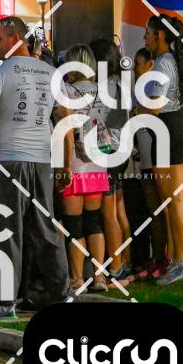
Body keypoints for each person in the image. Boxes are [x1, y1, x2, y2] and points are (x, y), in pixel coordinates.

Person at [0, 16, 68, 316]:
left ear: (15, 39)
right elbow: (65, 121)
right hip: (41, 160)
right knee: (45, 228)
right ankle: (60, 293)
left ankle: (6, 300)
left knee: (7, 230)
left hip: (8, 159)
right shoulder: (51, 73)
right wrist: (65, 164)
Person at [139, 15, 183, 285]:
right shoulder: (178, 60)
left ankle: (181, 262)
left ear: (160, 35)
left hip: (168, 130)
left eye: (148, 32)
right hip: (179, 127)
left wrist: (137, 111)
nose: (145, 37)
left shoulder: (162, 63)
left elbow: (155, 107)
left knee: (174, 201)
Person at [56, 45, 109, 293]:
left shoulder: (65, 91)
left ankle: (77, 279)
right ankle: (99, 277)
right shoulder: (101, 90)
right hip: (97, 163)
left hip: (74, 163)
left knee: (74, 224)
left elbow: (65, 128)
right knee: (94, 223)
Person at [89, 37, 131, 281]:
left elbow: (99, 122)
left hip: (108, 152)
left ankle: (115, 266)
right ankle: (124, 260)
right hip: (121, 150)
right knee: (118, 209)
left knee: (108, 213)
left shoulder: (103, 87)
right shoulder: (120, 83)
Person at [131, 48, 170, 279]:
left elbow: (153, 115)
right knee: (154, 211)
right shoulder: (140, 88)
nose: (134, 68)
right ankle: (158, 257)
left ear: (150, 64)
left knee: (162, 210)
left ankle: (166, 256)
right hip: (146, 157)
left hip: (156, 157)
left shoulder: (152, 87)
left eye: (138, 63)